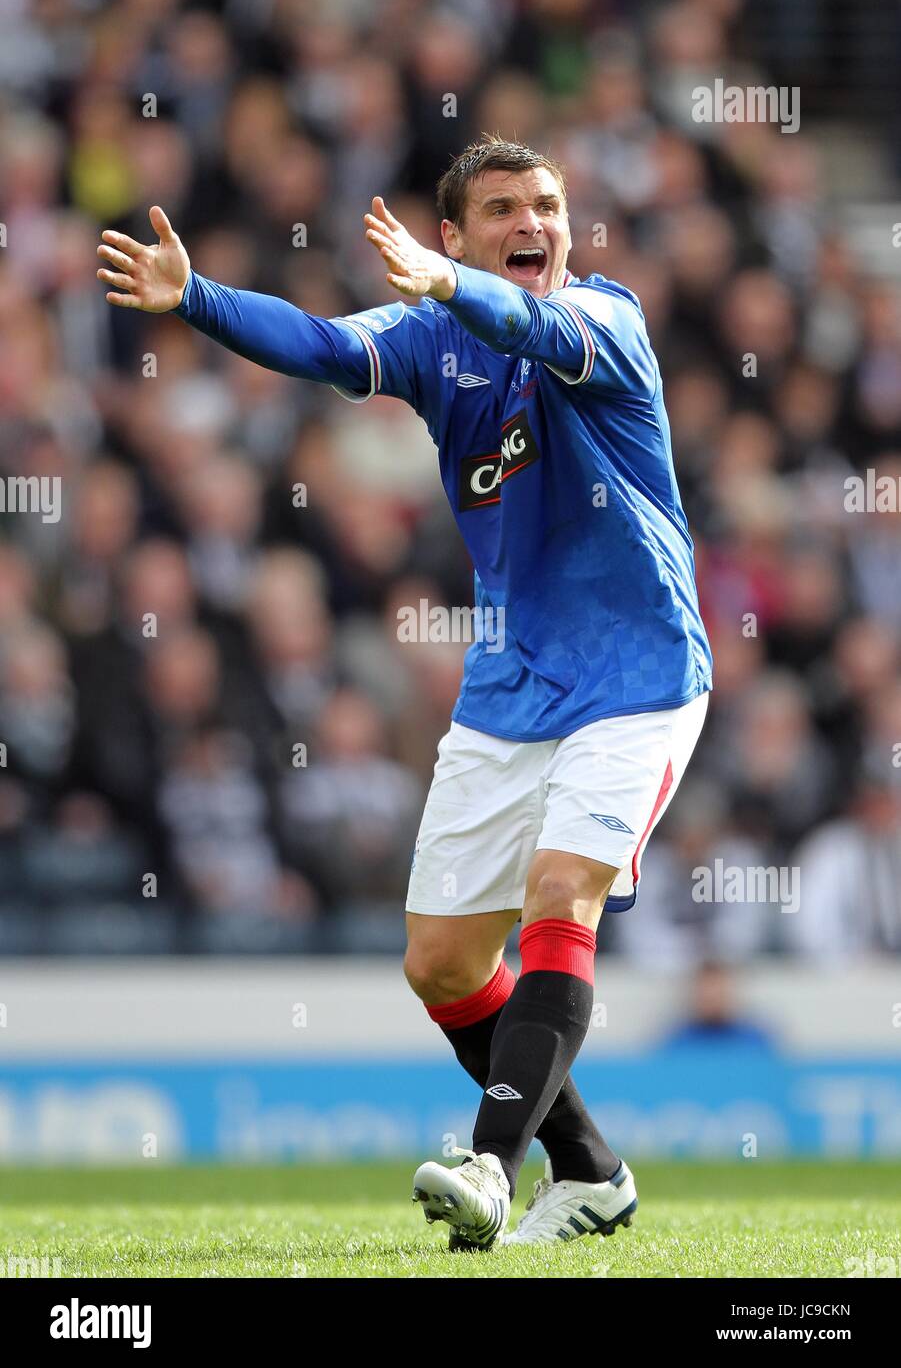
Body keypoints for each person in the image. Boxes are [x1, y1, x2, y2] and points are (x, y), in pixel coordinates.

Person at [97, 136, 713, 1249]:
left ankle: (490, 1161)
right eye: (501, 209)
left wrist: (455, 289)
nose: (532, 223)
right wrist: (197, 300)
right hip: (510, 682)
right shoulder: (435, 338)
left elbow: (529, 323)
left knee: (560, 887)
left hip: (638, 673)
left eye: (546, 205)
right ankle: (592, 1171)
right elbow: (328, 346)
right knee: (440, 960)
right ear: (453, 233)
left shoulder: (606, 320)